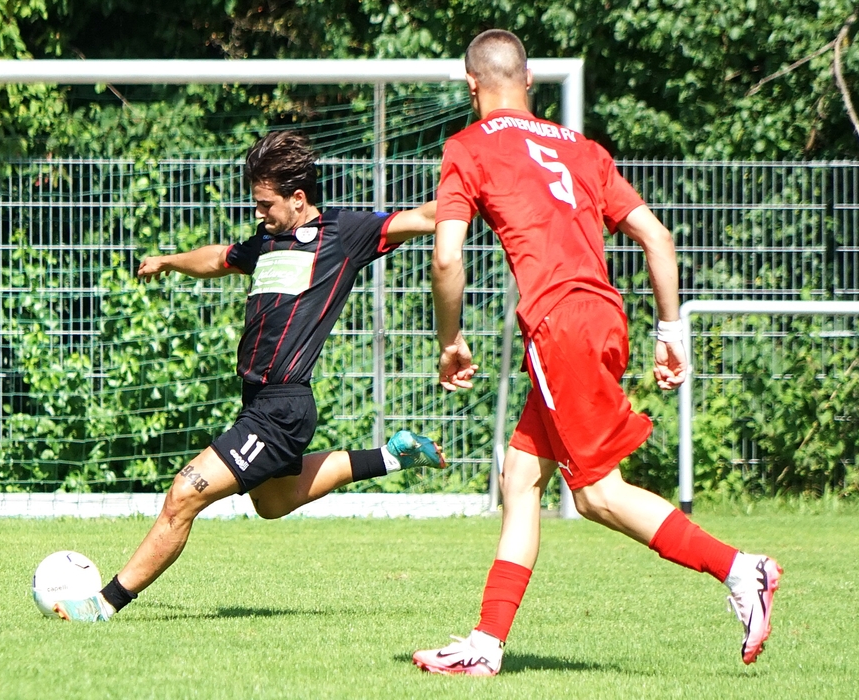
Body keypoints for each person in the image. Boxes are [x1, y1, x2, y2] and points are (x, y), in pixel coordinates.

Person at [412, 30, 781, 675]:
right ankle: (485, 645)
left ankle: (739, 569)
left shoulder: (468, 147)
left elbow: (446, 258)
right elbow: (657, 238)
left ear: (472, 86)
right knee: (521, 477)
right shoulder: (582, 148)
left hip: (559, 326)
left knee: (598, 496)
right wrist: (671, 334)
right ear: (529, 81)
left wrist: (450, 342)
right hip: (602, 319)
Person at [51, 131, 444, 622]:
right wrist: (170, 262)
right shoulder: (266, 242)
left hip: (282, 408)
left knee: (184, 493)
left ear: (297, 198)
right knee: (273, 503)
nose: (258, 213)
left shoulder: (344, 233)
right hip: (258, 401)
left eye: (265, 203)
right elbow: (219, 258)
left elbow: (426, 216)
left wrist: (490, 194)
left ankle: (104, 603)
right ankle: (393, 455)